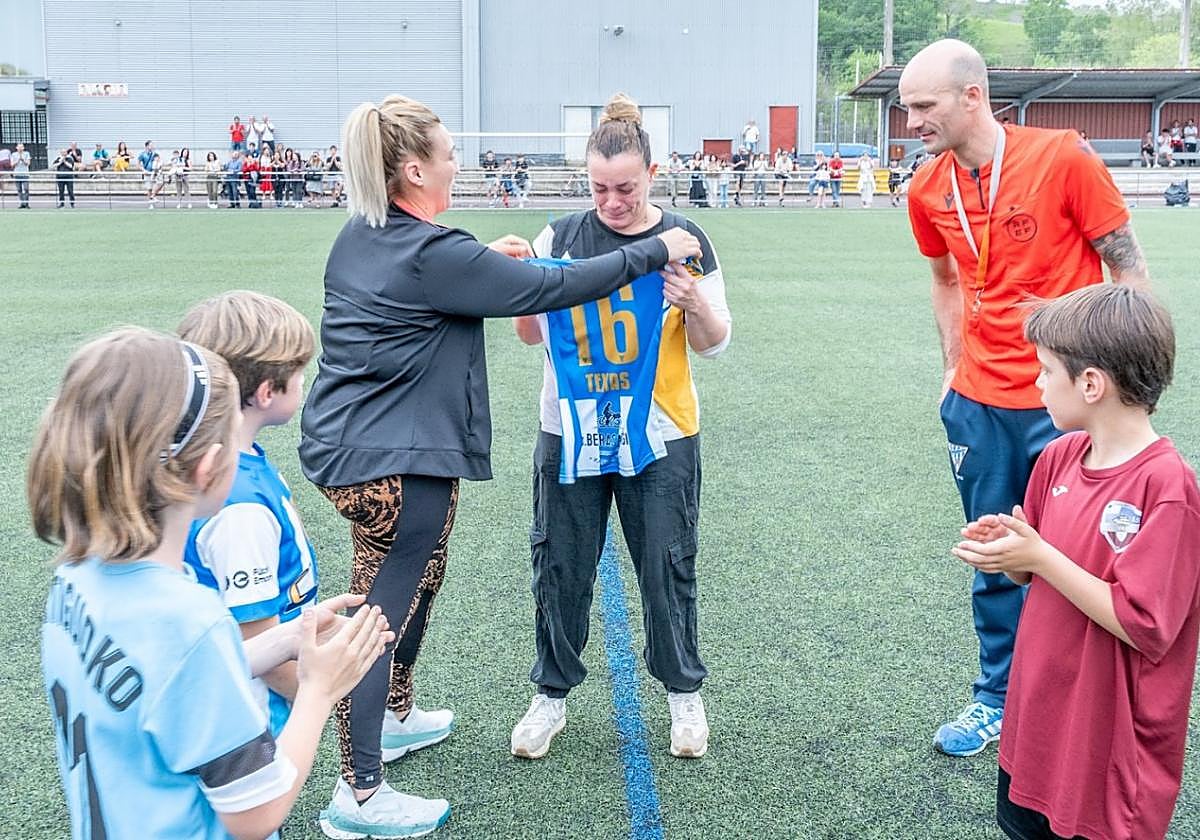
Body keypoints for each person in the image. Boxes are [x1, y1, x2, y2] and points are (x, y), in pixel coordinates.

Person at [298, 93, 700, 838]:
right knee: (377, 616)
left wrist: (486, 260)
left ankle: (394, 714)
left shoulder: (366, 232)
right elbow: (549, 288)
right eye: (449, 153)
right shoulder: (433, 253)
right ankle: (358, 792)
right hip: (396, 464)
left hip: (345, 450)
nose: (459, 162)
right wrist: (654, 250)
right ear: (414, 168)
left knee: (412, 583)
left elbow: (446, 275)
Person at [33, 327, 393, 840]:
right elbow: (256, 813)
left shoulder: (76, 578)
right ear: (208, 467)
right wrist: (318, 690)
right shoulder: (188, 619)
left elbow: (155, 678)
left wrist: (284, 641)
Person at [901, 38, 1151, 758]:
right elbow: (947, 280)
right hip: (977, 405)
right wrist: (953, 368)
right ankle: (995, 699)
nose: (911, 121)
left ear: (972, 96)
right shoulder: (927, 187)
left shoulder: (1062, 156)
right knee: (996, 552)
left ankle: (1100, 699)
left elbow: (1127, 269)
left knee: (1090, 556)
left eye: (924, 106)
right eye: (907, 108)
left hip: (1066, 407)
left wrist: (1124, 386)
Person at [509, 91, 731, 761]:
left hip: (660, 431)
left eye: (626, 188)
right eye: (600, 188)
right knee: (559, 565)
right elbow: (529, 336)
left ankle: (682, 695)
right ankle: (551, 696)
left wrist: (692, 302)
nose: (612, 201)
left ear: (653, 175)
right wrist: (520, 283)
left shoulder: (687, 239)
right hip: (571, 427)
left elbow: (716, 342)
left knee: (667, 566)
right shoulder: (562, 236)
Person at [952, 284, 1200, 840]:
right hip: (1038, 725)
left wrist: (1040, 555)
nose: (1036, 385)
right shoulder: (1060, 456)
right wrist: (1011, 551)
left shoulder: (1167, 487)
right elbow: (1032, 571)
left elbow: (1145, 625)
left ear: (1091, 384)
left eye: (1044, 371)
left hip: (1108, 748)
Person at [180, 292, 319, 738]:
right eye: (298, 374)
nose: (303, 382)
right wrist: (321, 692)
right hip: (252, 718)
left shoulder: (227, 462)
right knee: (260, 805)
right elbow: (255, 643)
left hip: (241, 701)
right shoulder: (238, 504)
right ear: (265, 392)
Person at [12, 142, 30, 208]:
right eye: (19, 147)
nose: (20, 148)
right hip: (17, 174)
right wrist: (17, 160)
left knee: (26, 189)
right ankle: (22, 203)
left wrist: (23, 160)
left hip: (25, 174)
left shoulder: (26, 153)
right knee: (19, 189)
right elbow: (12, 165)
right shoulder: (13, 154)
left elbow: (28, 163)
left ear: (23, 148)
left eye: (21, 147)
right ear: (16, 148)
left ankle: (26, 203)